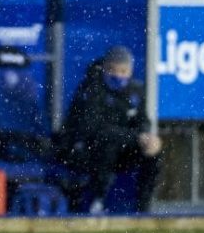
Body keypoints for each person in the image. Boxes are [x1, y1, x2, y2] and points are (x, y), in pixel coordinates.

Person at [54, 46, 162, 214]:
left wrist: (147, 139)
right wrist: (134, 137)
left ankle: (143, 208)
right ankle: (97, 201)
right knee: (107, 145)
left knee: (152, 152)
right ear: (104, 68)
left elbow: (143, 122)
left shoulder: (136, 91)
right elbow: (95, 130)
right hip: (84, 150)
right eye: (112, 70)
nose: (118, 76)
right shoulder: (91, 89)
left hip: (121, 151)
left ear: (130, 71)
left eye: (123, 71)